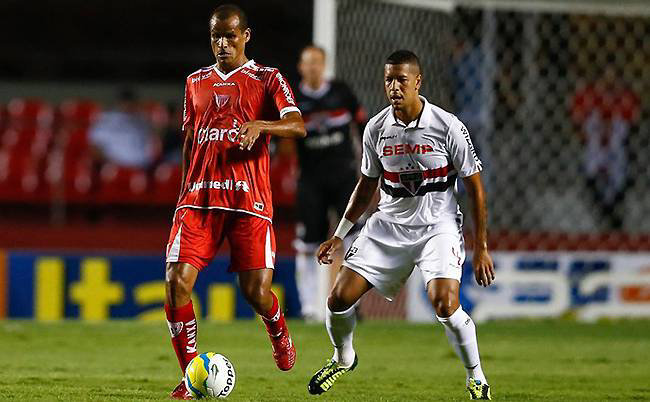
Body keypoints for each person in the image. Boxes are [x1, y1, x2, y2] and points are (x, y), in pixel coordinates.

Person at [307, 50, 495, 400]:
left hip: (437, 227)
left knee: (445, 304)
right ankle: (343, 358)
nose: (394, 87)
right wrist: (338, 236)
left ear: (418, 82)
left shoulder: (448, 126)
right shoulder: (376, 129)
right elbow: (365, 188)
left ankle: (477, 377)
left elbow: (476, 190)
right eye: (388, 79)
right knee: (337, 299)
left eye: (401, 80)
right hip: (388, 225)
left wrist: (481, 247)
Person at [163, 4, 305, 399]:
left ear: (246, 35)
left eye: (230, 35)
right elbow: (190, 140)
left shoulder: (267, 78)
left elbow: (298, 125)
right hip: (199, 199)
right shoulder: (195, 82)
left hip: (249, 201)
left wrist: (262, 125)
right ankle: (191, 377)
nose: (222, 44)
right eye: (215, 37)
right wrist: (181, 194)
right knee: (176, 283)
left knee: (256, 293)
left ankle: (278, 329)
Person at [293, 45, 367, 321]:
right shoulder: (293, 99)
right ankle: (310, 308)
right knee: (308, 242)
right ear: (301, 67)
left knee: (355, 238)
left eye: (317, 63)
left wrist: (368, 166)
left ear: (324, 65)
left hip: (344, 178)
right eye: (308, 63)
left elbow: (362, 127)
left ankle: (351, 302)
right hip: (310, 179)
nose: (313, 68)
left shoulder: (342, 92)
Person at [571, 65, 639, 229]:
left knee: (618, 174)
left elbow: (633, 124)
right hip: (595, 147)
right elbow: (577, 121)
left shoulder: (625, 96)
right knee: (593, 170)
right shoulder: (588, 95)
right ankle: (605, 211)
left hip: (616, 148)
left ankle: (612, 212)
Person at [88, 88, 156, 168]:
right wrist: (109, 162)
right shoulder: (106, 119)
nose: (129, 105)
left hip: (143, 167)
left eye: (132, 102)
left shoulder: (143, 119)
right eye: (126, 102)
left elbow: (154, 142)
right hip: (114, 168)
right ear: (119, 102)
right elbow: (95, 147)